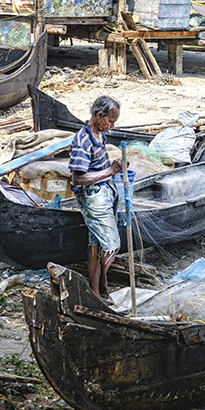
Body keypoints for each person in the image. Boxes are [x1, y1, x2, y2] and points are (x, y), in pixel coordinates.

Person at [69, 95, 123, 305]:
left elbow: (98, 167)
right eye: (110, 120)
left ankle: (96, 292)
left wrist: (110, 170)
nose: (112, 125)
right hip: (92, 197)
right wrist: (109, 171)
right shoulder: (82, 140)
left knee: (96, 245)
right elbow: (78, 178)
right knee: (112, 245)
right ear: (98, 116)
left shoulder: (99, 134)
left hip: (104, 192)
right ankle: (103, 283)